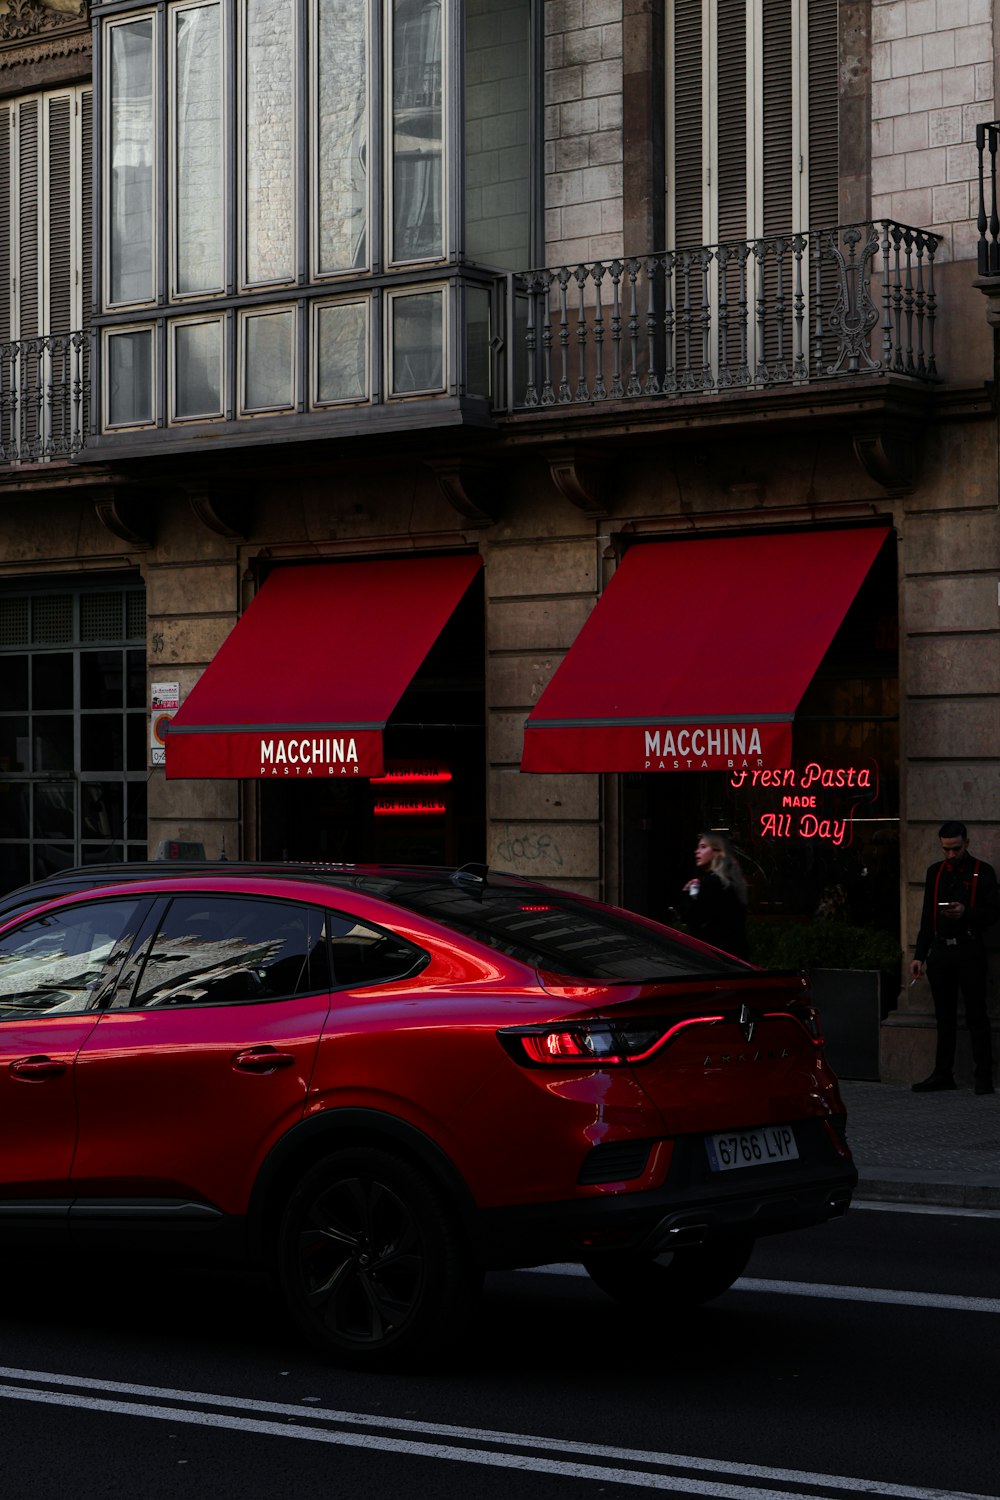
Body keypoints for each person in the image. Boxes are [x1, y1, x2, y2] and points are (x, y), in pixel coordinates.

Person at [909, 820, 999, 1095]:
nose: (951, 855)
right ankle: (942, 1074)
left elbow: (993, 914)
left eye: (956, 849)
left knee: (976, 1014)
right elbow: (927, 917)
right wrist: (919, 955)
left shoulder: (982, 872)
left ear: (967, 844)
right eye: (946, 849)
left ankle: (983, 1076)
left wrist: (966, 912)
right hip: (941, 951)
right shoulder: (935, 872)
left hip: (969, 950)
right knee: (944, 1016)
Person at [676, 831, 750, 959]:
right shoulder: (731, 881)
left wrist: (687, 894)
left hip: (717, 958)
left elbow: (693, 918)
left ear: (718, 852)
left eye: (703, 847)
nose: (697, 851)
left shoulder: (714, 882)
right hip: (735, 955)